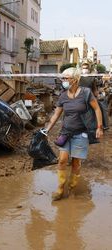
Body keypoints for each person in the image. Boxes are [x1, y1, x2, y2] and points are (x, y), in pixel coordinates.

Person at [43, 67, 103, 201]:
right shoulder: (63, 96)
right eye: (63, 78)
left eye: (66, 78)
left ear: (75, 80)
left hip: (81, 134)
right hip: (65, 133)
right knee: (62, 160)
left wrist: (99, 127)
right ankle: (60, 188)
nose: (63, 81)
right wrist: (46, 130)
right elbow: (56, 115)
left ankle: (71, 188)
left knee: (76, 163)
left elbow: (97, 109)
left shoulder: (86, 93)